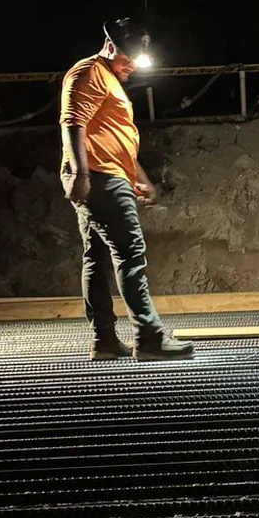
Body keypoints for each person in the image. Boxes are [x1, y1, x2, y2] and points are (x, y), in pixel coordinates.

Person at [60, 27, 194, 361]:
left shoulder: (109, 80)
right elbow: (72, 122)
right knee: (129, 254)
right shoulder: (88, 72)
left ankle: (104, 339)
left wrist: (140, 178)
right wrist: (81, 173)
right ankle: (148, 337)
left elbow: (114, 138)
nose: (131, 67)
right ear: (108, 45)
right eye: (127, 58)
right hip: (100, 177)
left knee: (97, 256)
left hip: (107, 174)